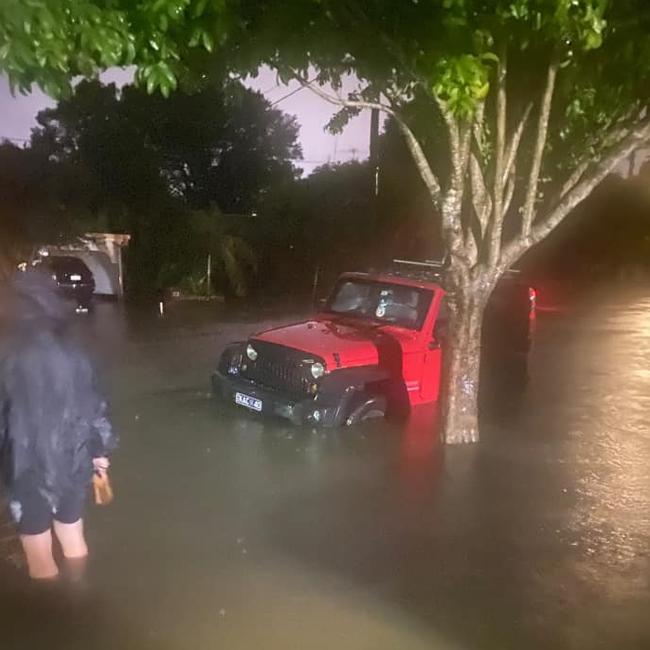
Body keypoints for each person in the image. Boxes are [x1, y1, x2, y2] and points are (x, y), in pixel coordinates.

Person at [0, 270, 116, 581]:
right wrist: (100, 454)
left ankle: (57, 619)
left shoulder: (7, 351)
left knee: (39, 556)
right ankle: (81, 596)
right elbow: (97, 408)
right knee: (74, 538)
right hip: (74, 460)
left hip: (27, 467)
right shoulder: (76, 350)